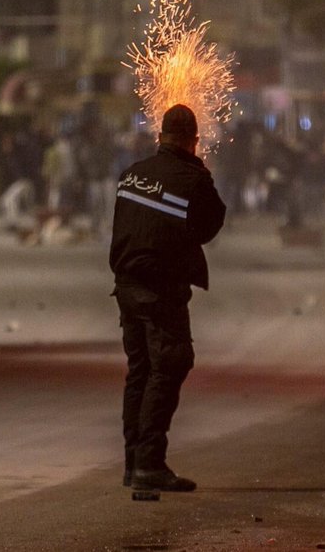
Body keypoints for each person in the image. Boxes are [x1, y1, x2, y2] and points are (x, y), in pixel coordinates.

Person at [109, 104, 227, 493]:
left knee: (141, 371)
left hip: (126, 286)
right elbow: (209, 226)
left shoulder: (132, 175)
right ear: (194, 141)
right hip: (160, 290)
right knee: (170, 364)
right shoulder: (194, 180)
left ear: (160, 137)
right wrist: (200, 174)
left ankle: (133, 463)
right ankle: (149, 463)